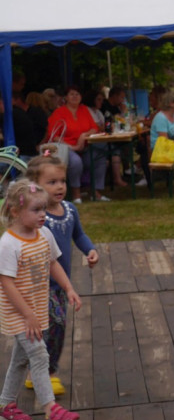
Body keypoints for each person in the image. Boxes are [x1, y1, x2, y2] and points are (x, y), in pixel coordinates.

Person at [0, 180, 81, 420]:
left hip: (36, 308)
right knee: (39, 355)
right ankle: (51, 411)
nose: (43, 215)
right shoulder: (8, 244)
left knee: (20, 361)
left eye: (44, 209)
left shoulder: (44, 233)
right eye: (36, 210)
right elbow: (7, 284)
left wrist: (68, 288)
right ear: (15, 211)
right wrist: (28, 316)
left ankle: (5, 406)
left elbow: (53, 263)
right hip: (20, 313)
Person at [24, 152, 98, 396]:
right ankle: (45, 373)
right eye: (52, 182)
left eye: (62, 181)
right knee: (47, 328)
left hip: (60, 284)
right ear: (34, 187)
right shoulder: (36, 217)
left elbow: (79, 235)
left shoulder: (69, 211)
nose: (59, 187)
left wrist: (90, 250)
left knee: (57, 329)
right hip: (37, 285)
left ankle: (38, 371)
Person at [44, 85, 109, 203]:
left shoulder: (84, 110)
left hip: (85, 146)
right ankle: (76, 194)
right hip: (66, 148)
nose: (75, 96)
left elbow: (94, 128)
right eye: (71, 94)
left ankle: (96, 191)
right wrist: (73, 147)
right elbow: (53, 136)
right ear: (66, 97)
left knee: (101, 154)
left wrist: (84, 135)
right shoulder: (59, 112)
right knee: (75, 162)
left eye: (77, 94)